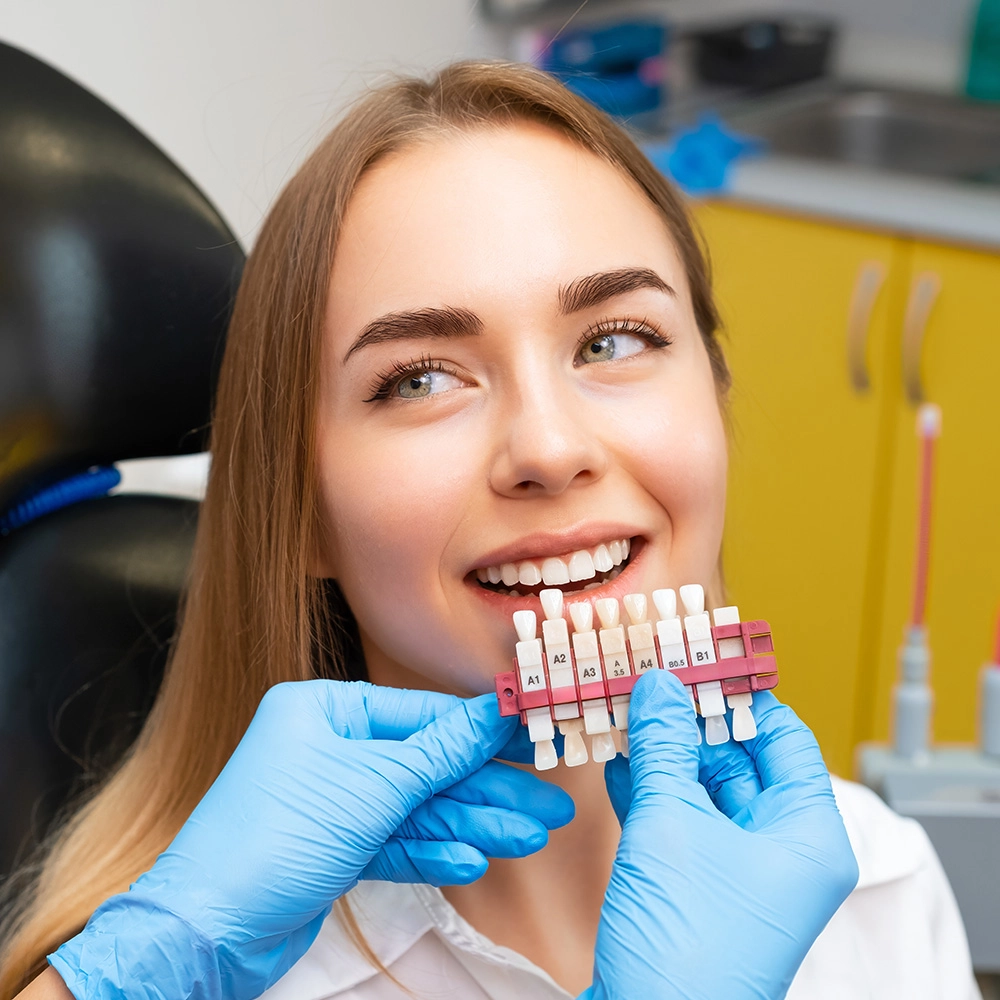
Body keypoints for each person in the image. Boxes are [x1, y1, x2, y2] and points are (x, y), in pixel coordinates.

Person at [0, 61, 975, 1000]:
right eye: (420, 378)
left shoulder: (878, 888)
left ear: (714, 406)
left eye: (613, 339)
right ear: (296, 509)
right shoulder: (212, 964)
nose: (548, 447)